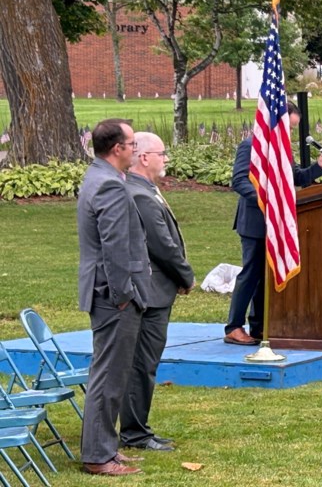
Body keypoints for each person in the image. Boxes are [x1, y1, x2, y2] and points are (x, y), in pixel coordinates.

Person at [76, 119, 150, 476]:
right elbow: (115, 249)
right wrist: (123, 295)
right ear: (116, 148)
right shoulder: (108, 186)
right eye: (132, 143)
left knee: (112, 374)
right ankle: (98, 455)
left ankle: (107, 448)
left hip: (107, 293)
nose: (135, 149)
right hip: (113, 296)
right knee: (108, 375)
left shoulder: (101, 177)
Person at [224, 102, 322, 345]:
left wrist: (319, 167)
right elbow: (239, 181)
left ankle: (259, 327)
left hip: (277, 222)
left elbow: (295, 177)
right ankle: (234, 326)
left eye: (293, 129)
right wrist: (267, 199)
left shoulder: (283, 149)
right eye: (289, 127)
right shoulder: (250, 145)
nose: (290, 133)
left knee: (267, 276)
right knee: (251, 274)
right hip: (254, 222)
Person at [121, 132, 195, 452]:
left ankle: (138, 429)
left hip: (152, 289)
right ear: (144, 157)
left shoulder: (143, 190)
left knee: (143, 364)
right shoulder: (140, 195)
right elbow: (163, 245)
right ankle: (135, 434)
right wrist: (186, 277)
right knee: (141, 365)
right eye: (162, 153)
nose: (166, 159)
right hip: (149, 293)